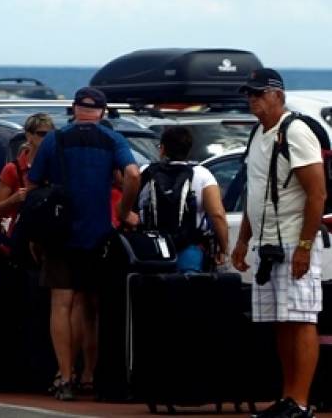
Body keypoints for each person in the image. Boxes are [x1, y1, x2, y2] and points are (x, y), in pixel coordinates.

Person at [27, 86, 142, 401]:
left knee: (61, 304)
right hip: (98, 234)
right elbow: (132, 174)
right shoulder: (112, 139)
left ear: (74, 109)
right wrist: (124, 210)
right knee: (90, 306)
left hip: (60, 233)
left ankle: (65, 377)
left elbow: (34, 183)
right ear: (102, 112)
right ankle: (91, 374)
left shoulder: (55, 139)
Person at [231, 69, 326, 418]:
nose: (252, 99)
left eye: (259, 93)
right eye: (249, 94)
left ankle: (300, 403)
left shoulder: (296, 131)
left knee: (301, 319)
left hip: (291, 240)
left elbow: (317, 194)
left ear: (278, 96)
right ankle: (288, 398)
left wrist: (304, 246)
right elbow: (254, 192)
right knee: (281, 321)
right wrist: (243, 240)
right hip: (268, 245)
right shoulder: (258, 132)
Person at [138, 125, 229, 272]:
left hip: (152, 249)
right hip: (189, 249)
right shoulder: (202, 174)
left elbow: (132, 208)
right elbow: (217, 215)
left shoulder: (145, 172)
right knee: (187, 290)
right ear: (188, 149)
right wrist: (224, 249)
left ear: (162, 149)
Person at [0, 113, 55, 227]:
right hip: (22, 233)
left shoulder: (58, 167)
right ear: (29, 136)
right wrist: (14, 199)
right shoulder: (13, 169)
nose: (47, 138)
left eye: (51, 135)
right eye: (42, 134)